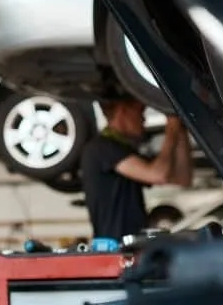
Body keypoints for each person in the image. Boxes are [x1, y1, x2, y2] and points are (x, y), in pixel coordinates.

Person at [80, 97, 194, 241]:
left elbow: (182, 178)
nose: (144, 119)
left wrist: (180, 130)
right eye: (140, 112)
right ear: (122, 110)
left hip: (131, 245)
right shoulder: (101, 148)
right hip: (116, 248)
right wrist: (171, 128)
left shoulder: (125, 152)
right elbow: (158, 175)